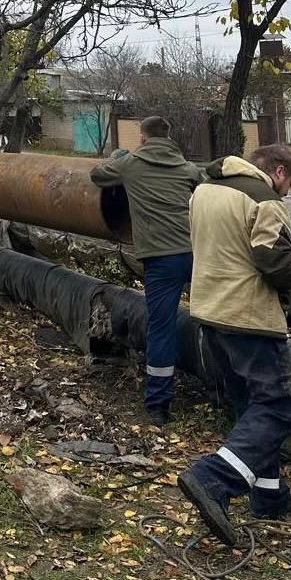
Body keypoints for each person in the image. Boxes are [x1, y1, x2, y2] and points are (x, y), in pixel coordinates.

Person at [177, 144, 291, 546]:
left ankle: (268, 495)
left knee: (250, 405)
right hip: (249, 316)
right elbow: (272, 261)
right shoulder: (264, 199)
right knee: (279, 404)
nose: (288, 192)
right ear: (280, 171)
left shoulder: (205, 190)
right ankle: (213, 477)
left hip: (209, 309)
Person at [91, 116, 201, 426]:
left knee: (161, 327)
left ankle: (158, 405)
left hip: (160, 258)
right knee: (216, 320)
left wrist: (117, 156)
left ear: (142, 138)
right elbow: (204, 185)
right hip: (195, 253)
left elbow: (98, 175)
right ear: (169, 137)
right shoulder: (185, 167)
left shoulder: (132, 164)